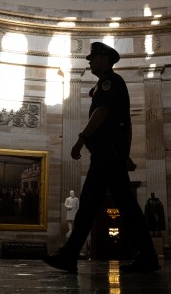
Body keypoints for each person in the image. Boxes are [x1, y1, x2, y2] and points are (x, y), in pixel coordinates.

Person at [42, 42, 160, 274]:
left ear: (105, 58)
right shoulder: (109, 84)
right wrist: (125, 155)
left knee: (92, 205)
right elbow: (126, 124)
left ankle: (70, 255)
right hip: (111, 155)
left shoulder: (111, 82)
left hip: (106, 155)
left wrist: (81, 139)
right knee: (119, 205)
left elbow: (103, 112)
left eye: (93, 57)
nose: (89, 61)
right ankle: (147, 256)